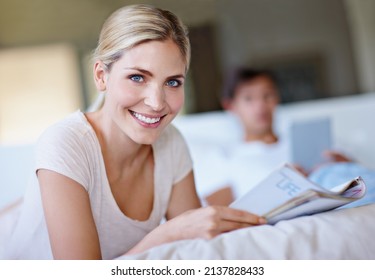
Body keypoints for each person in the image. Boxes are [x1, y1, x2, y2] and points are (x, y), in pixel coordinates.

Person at [5, 5, 266, 260]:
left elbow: (194, 247)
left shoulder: (171, 143)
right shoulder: (66, 142)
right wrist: (167, 234)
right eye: (138, 77)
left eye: (172, 82)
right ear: (101, 76)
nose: (156, 102)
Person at [204, 67, 351, 206]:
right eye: (249, 99)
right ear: (231, 106)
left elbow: (355, 178)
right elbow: (215, 211)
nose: (261, 106)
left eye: (267, 96)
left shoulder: (307, 142)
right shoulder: (225, 156)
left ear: (277, 98)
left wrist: (345, 164)